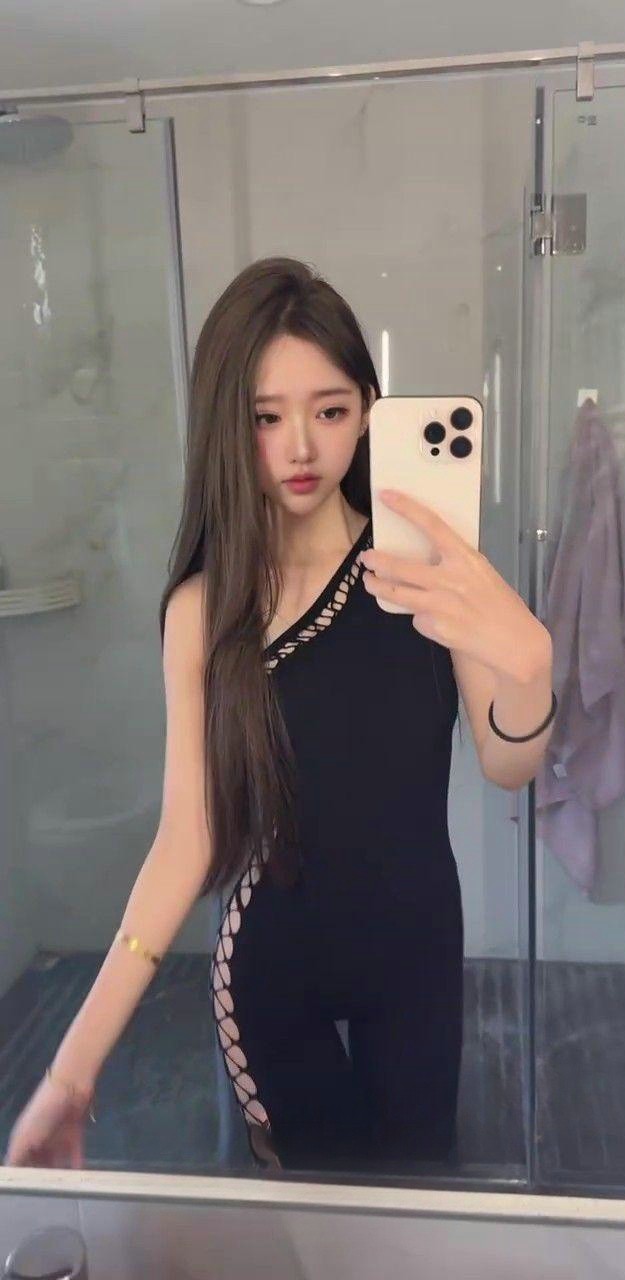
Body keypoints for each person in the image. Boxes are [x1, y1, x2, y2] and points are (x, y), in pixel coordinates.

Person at [5, 257, 555, 1173]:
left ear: (368, 411)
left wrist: (531, 668)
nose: (301, 447)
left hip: (418, 958)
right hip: (270, 973)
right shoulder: (205, 609)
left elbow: (509, 766)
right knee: (317, 1228)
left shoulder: (427, 573)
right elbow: (187, 839)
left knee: (414, 1205)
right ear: (229, 423)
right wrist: (70, 1071)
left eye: (329, 411)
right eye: (266, 418)